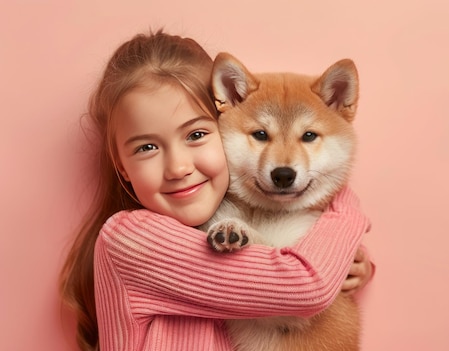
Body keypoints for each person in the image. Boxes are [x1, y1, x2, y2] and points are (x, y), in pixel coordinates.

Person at [59, 30, 373, 351]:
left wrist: (352, 263)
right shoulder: (130, 240)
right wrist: (347, 213)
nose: (179, 167)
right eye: (148, 146)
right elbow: (301, 289)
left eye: (195, 135)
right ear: (121, 165)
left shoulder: (218, 210)